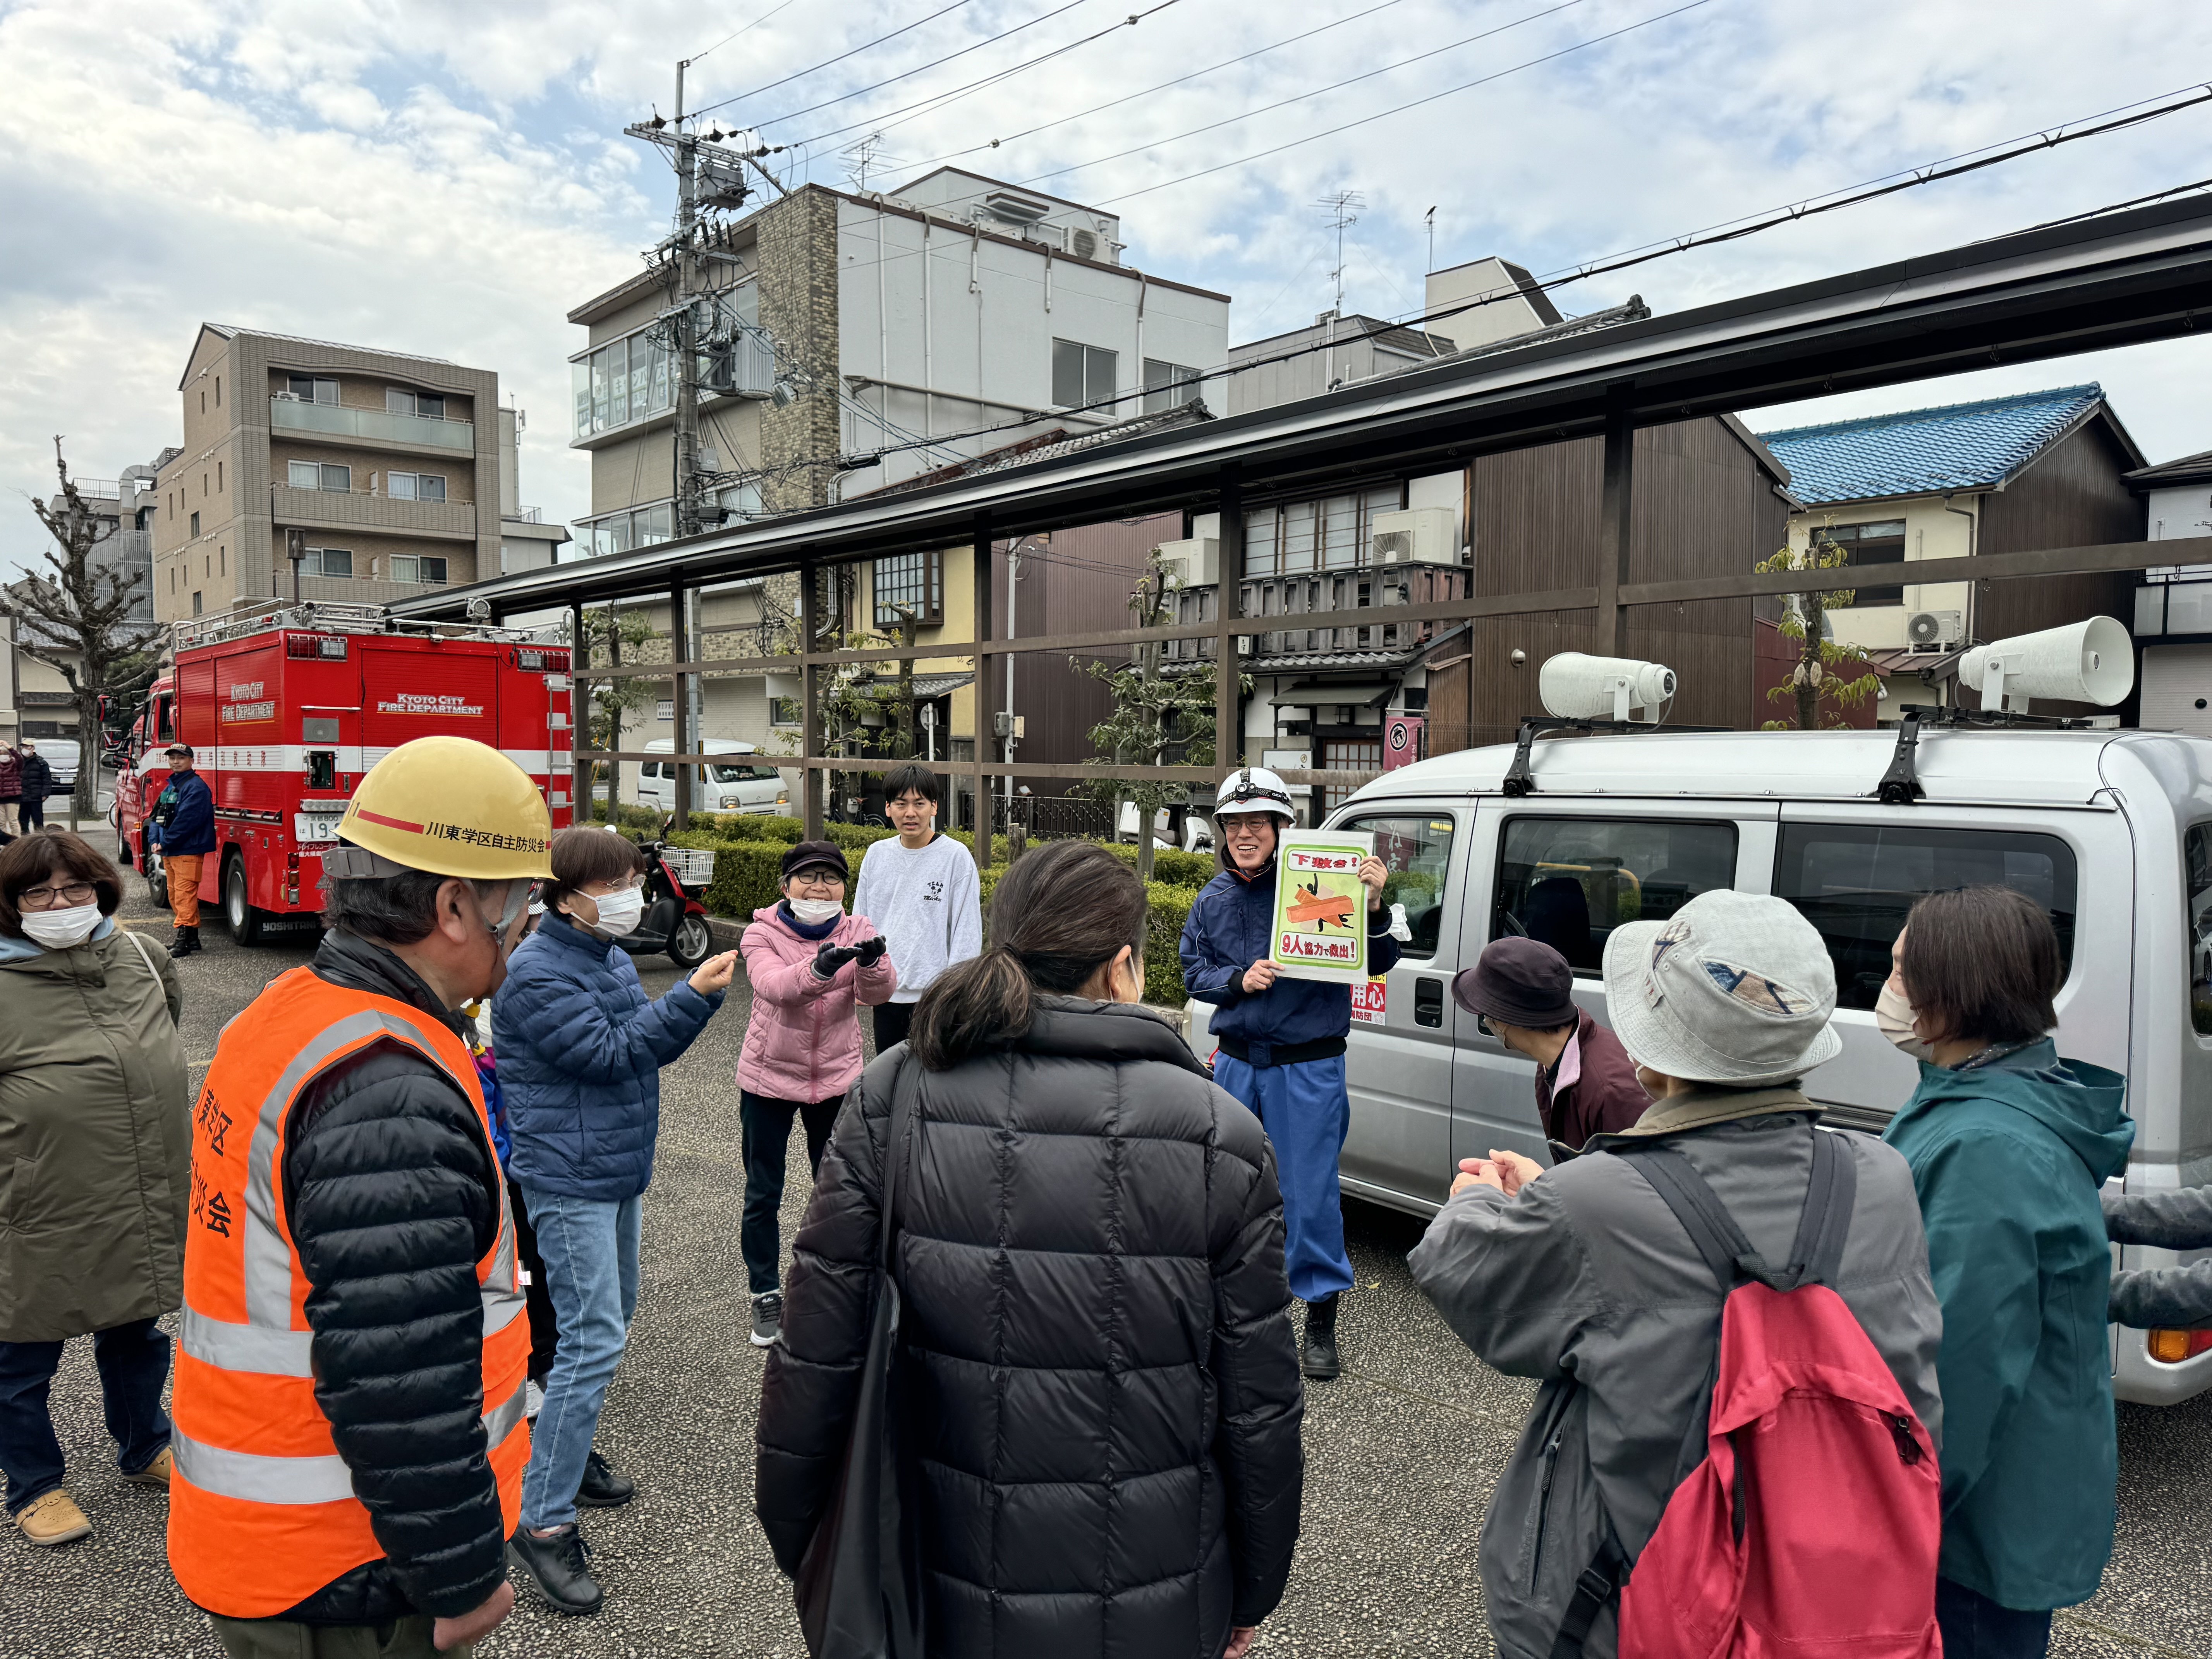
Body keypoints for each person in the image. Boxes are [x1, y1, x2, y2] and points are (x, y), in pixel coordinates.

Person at [757, 840, 1306, 1659]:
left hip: (925, 1569)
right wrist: (1255, 1583)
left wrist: (802, 1532)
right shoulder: (1221, 1134)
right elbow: (1256, 1401)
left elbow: (817, 1348)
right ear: (1124, 969)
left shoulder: (899, 1091)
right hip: (1159, 1580)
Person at [1410, 890, 1943, 1659]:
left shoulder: (1595, 1199)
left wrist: (1474, 1205)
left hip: (1641, 1601)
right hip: (1843, 1586)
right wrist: (1561, 1197)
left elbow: (1466, 1278)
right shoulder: (1884, 1177)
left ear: (1652, 1050)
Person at [166, 735, 551, 1659]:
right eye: (522, 901)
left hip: (282, 1526)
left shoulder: (294, 1012)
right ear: (457, 905)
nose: (529, 924)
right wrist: (460, 1576)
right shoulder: (388, 1086)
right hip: (344, 1570)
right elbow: (397, 1375)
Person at [1882, 888, 2133, 1659]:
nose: (1885, 988)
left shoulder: (1984, 1145)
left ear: (1948, 997)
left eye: (1898, 971)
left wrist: (1894, 1518)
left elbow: (1961, 1366)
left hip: (1976, 1531)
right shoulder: (1995, 1098)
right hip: (2012, 1497)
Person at [494, 824, 738, 1616]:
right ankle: (544, 1519)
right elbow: (609, 1053)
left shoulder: (601, 953)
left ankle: (560, 1451)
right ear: (564, 895)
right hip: (568, 1178)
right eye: (613, 885)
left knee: (603, 1326)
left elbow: (638, 1048)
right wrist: (694, 995)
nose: (630, 896)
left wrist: (689, 1001)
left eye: (632, 879)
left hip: (613, 1168)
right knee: (593, 1334)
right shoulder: (534, 972)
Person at [1177, 765, 1398, 1379]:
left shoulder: (1326, 880)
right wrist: (1234, 981)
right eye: (1234, 824)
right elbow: (1193, 972)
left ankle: (1321, 1312)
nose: (1245, 834)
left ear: (1281, 828)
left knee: (1310, 1195)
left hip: (1309, 1065)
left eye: (1257, 823)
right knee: (1223, 1188)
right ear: (1222, 832)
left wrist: (1373, 905)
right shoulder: (1212, 899)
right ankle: (1224, 1301)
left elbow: (1376, 960)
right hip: (1237, 1066)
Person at [0, 831, 186, 1546]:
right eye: (37, 893)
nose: (59, 903)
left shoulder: (142, 957)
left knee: (137, 1331)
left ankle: (144, 1445)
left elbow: (161, 1038)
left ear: (102, 889)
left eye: (74, 888)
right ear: (12, 906)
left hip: (134, 1190)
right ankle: (35, 1484)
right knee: (21, 1353)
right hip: (34, 1203)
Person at [736, 839, 896, 1349]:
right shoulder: (761, 933)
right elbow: (774, 988)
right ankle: (764, 1291)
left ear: (843, 888)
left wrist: (872, 964)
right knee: (764, 1192)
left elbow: (878, 995)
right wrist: (822, 969)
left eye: (830, 878)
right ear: (785, 887)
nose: (820, 887)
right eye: (808, 877)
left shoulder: (859, 929)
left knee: (839, 1192)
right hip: (767, 1081)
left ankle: (837, 1286)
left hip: (834, 1080)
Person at [1451, 936, 1649, 1149]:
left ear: (1510, 1018)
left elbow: (1638, 1180)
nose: (1486, 1020)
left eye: (1486, 1012)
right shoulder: (1555, 1063)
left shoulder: (1611, 1093)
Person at [853, 761, 981, 1054]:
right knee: (892, 1082)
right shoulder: (877, 855)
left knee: (934, 1083)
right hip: (886, 993)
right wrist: (862, 978)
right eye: (901, 804)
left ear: (934, 807)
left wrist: (956, 995)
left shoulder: (955, 857)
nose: (910, 813)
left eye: (919, 803)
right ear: (888, 808)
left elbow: (967, 933)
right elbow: (861, 922)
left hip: (935, 998)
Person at [151, 741, 215, 958]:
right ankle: (192, 938)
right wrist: (154, 840)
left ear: (191, 761)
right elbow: (156, 816)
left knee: (184, 896)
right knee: (176, 895)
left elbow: (188, 821)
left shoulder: (196, 787)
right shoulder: (172, 786)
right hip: (171, 851)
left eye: (180, 758)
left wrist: (165, 842)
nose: (176, 762)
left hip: (187, 850)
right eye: (172, 758)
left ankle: (182, 943)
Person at [16, 740, 52, 832]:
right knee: (23, 821)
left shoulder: (41, 763)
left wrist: (45, 794)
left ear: (33, 748)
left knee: (38, 821)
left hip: (36, 797)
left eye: (27, 747)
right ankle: (26, 840)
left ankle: (40, 839)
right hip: (22, 797)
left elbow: (47, 780)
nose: (25, 749)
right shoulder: (18, 762)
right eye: (23, 747)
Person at [0, 743, 21, 836]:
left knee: (13, 821)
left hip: (13, 797)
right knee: (1, 823)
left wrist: (10, 747)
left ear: (10, 756)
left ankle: (16, 842)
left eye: (5, 754)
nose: (3, 757)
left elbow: (20, 758)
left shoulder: (16, 765)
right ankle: (3, 843)